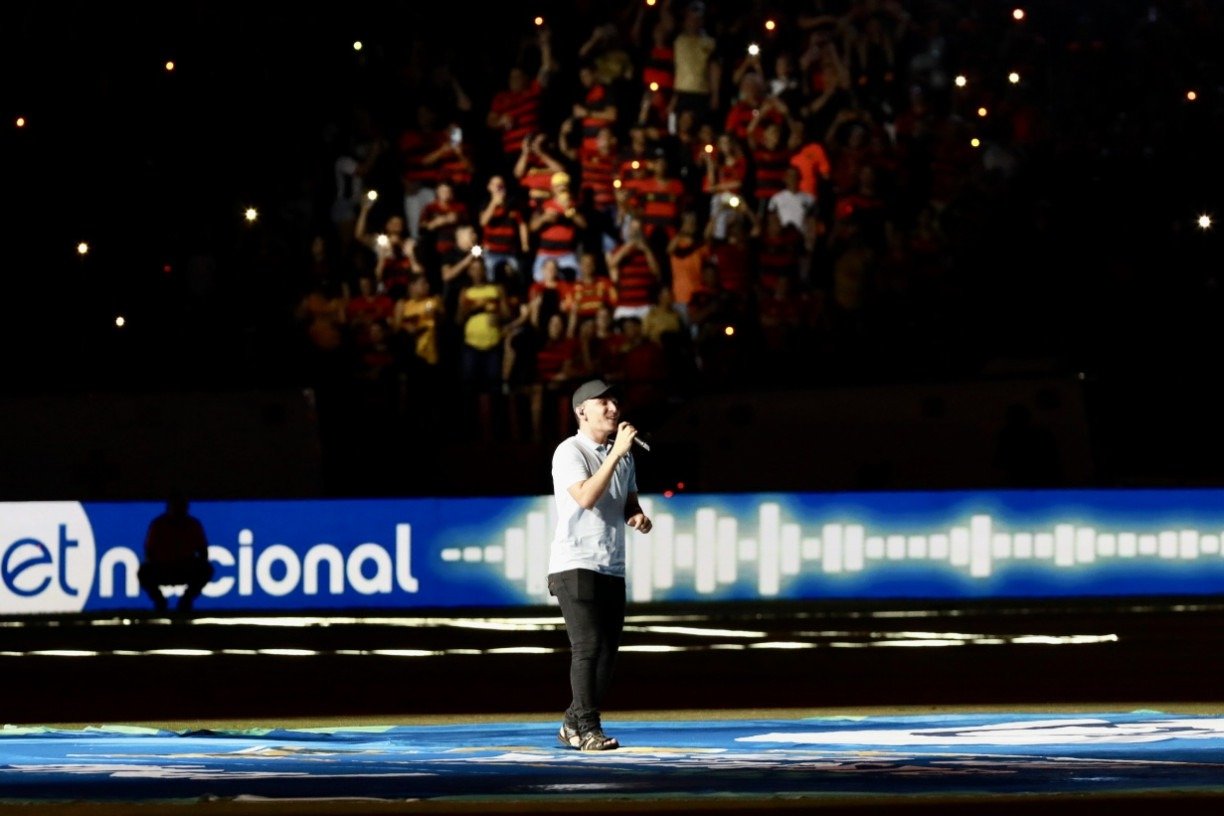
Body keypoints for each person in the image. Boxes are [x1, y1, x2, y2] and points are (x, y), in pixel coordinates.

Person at [548, 379, 652, 752]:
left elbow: (628, 501)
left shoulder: (622, 456)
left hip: (611, 563)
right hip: (575, 562)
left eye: (614, 401)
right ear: (581, 412)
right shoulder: (569, 451)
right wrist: (615, 453)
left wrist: (637, 515)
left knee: (607, 652)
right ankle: (587, 728)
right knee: (588, 645)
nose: (612, 408)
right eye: (602, 402)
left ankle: (573, 721)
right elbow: (587, 497)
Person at [137, 495, 214, 613]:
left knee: (207, 569)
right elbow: (149, 551)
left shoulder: (193, 525)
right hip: (163, 568)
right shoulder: (158, 525)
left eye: (181, 507)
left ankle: (186, 600)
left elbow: (203, 551)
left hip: (187, 568)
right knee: (143, 572)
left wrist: (194, 564)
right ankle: (160, 601)